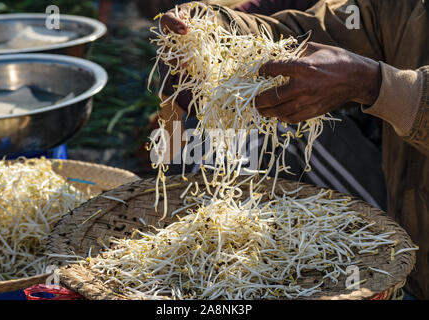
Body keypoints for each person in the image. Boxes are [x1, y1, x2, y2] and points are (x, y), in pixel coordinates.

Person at [158, 0, 429, 299]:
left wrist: (376, 84)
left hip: (406, 238)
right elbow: (313, 34)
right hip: (404, 212)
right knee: (241, 126)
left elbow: (371, 79)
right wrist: (218, 31)